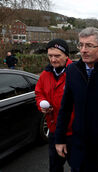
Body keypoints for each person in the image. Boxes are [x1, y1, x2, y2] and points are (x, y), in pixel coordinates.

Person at [55, 27, 98, 172]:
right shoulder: (73, 70)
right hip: (79, 150)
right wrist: (59, 138)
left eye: (89, 45)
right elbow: (66, 107)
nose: (83, 50)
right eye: (81, 45)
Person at [35, 39, 75, 172]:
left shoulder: (76, 73)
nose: (53, 59)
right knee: (55, 167)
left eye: (57, 56)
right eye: (50, 56)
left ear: (66, 55)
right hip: (54, 131)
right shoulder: (45, 74)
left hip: (74, 133)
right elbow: (39, 92)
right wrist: (41, 104)